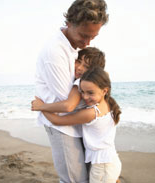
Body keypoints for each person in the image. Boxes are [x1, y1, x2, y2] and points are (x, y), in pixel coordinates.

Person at [34, 0, 108, 182]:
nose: (87, 42)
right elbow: (68, 102)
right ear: (69, 23)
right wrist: (100, 105)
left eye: (93, 37)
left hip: (75, 124)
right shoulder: (55, 52)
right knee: (74, 180)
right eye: (84, 35)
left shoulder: (74, 48)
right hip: (61, 126)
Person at [36, 67, 122, 183]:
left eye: (90, 93)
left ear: (104, 91)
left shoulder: (91, 113)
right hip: (111, 160)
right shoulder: (109, 103)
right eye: (82, 91)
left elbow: (57, 121)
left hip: (102, 166)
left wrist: (41, 107)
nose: (85, 97)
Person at [32, 47, 106, 113]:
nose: (80, 68)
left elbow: (68, 106)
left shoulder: (81, 82)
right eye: (79, 61)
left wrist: (41, 106)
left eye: (86, 66)